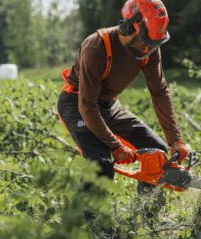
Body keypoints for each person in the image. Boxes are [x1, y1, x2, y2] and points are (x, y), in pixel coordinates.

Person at [57, 0, 187, 195]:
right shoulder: (97, 46)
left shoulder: (150, 47)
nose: (147, 50)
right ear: (127, 28)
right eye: (145, 42)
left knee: (156, 152)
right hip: (78, 104)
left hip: (108, 104)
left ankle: (146, 213)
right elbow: (87, 104)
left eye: (153, 44)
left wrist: (175, 140)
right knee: (101, 163)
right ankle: (87, 221)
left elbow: (159, 91)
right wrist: (115, 146)